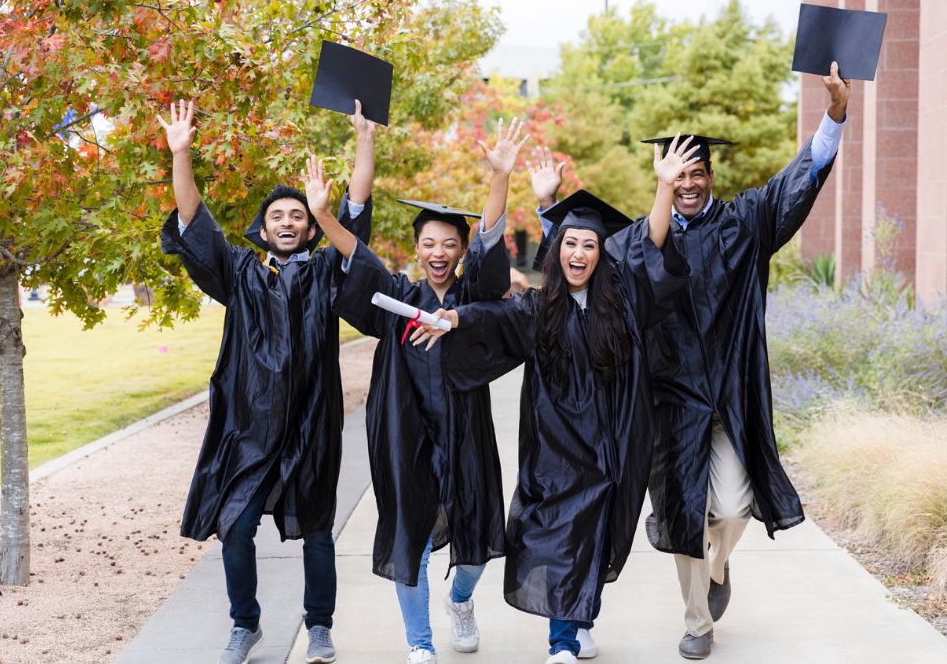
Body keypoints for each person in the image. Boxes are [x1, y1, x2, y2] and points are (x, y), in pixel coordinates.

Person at [418, 136, 698, 664]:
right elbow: (489, 318)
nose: (579, 253)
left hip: (613, 445)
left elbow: (652, 244)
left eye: (590, 246)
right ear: (556, 251)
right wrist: (452, 317)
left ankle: (579, 615)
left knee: (596, 537)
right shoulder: (538, 308)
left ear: (601, 254)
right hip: (555, 447)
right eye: (570, 244)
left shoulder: (623, 299)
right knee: (559, 536)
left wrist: (664, 187)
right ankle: (562, 643)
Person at [626, 62, 849, 659]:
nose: (689, 184)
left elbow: (794, 183)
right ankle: (697, 622)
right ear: (664, 180)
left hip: (730, 394)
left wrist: (833, 114)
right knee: (682, 518)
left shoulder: (744, 223)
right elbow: (607, 263)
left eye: (697, 173)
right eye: (678, 176)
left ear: (711, 175)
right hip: (671, 403)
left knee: (726, 508)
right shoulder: (645, 233)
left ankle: (720, 568)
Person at [157, 98, 378, 664]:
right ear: (263, 226)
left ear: (309, 227)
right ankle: (244, 623)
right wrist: (181, 154)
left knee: (319, 530)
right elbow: (192, 221)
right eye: (278, 215)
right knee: (236, 525)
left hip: (309, 421)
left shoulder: (328, 271)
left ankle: (320, 625)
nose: (287, 222)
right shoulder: (241, 272)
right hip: (248, 426)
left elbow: (354, 210)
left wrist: (363, 140)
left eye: (298, 216)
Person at [305, 118, 528, 664]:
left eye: (448, 243)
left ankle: (460, 601)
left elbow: (492, 248)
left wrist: (499, 179)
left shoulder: (472, 295)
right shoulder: (397, 297)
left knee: (477, 541)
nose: (438, 251)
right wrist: (322, 214)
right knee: (412, 537)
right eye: (428, 242)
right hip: (403, 433)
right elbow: (357, 257)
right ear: (417, 248)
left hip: (464, 431)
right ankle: (420, 644)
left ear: (458, 251)